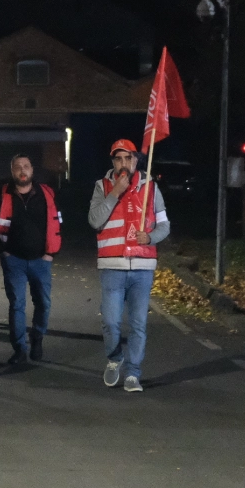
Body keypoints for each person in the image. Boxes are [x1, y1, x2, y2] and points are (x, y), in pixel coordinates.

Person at [89, 139, 170, 392]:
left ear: (136, 160)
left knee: (138, 324)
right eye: (118, 158)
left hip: (142, 267)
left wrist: (151, 237)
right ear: (113, 162)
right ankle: (115, 359)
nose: (123, 163)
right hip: (112, 266)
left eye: (128, 158)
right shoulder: (102, 186)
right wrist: (115, 193)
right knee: (111, 322)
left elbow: (164, 225)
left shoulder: (151, 188)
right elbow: (94, 221)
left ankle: (133, 373)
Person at [0, 153, 61, 365]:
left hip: (41, 260)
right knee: (17, 304)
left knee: (43, 303)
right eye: (18, 167)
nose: (22, 170)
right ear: (12, 171)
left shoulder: (46, 194)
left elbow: (59, 222)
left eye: (26, 166)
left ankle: (37, 336)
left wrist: (50, 254)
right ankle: (19, 350)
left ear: (32, 170)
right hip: (13, 260)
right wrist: (2, 251)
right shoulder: (3, 194)